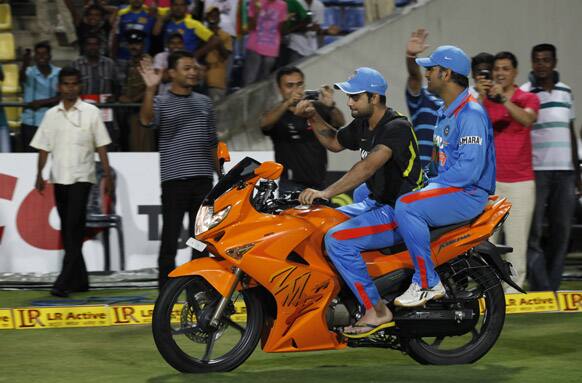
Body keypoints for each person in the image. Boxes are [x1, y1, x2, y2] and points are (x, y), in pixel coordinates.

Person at [294, 67, 423, 335]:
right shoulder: (364, 124)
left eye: (355, 96)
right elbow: (334, 141)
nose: (349, 102)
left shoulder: (395, 127)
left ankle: (377, 309)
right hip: (377, 204)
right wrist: (313, 115)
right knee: (318, 221)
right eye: (349, 96)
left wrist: (326, 193)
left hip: (401, 210)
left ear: (374, 98)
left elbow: (367, 168)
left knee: (338, 241)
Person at [393, 45, 496, 307]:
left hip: (468, 193)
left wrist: (427, 187)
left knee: (407, 206)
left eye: (431, 69)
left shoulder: (470, 114)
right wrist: (419, 179)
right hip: (453, 189)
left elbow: (468, 172)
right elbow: (439, 164)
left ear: (446, 73)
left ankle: (427, 281)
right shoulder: (445, 111)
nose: (426, 74)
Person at [138, 50, 219, 288]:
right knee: (170, 237)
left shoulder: (205, 102)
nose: (193, 72)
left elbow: (211, 142)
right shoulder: (160, 101)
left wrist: (222, 176)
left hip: (204, 180)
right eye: (187, 68)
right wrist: (151, 88)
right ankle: (166, 287)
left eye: (195, 67)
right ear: (172, 73)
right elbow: (145, 121)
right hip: (174, 181)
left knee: (201, 238)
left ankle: (199, 282)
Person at [30, 66, 112, 298]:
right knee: (69, 230)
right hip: (59, 179)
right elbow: (44, 148)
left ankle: (62, 281)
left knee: (73, 229)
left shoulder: (91, 112)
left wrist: (106, 174)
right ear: (60, 86)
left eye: (74, 83)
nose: (70, 87)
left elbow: (101, 145)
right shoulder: (50, 115)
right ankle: (81, 280)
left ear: (80, 85)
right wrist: (39, 174)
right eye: (66, 84)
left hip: (82, 178)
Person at [522, 44, 581, 291]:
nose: (541, 65)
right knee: (532, 232)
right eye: (537, 60)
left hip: (565, 172)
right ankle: (542, 288)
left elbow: (570, 130)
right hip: (535, 171)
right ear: (532, 63)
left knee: (562, 230)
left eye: (546, 60)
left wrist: (577, 171)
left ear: (554, 62)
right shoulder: (525, 93)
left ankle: (552, 286)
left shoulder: (566, 92)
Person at [481, 51, 540, 290]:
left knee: (516, 244)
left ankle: (514, 294)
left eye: (505, 69)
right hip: (491, 184)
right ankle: (490, 291)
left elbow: (527, 120)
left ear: (515, 72)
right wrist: (483, 95)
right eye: (497, 69)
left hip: (521, 184)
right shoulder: (484, 101)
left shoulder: (527, 98)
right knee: (486, 242)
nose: (500, 73)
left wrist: (503, 100)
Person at [260, 66, 345, 193]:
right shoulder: (277, 113)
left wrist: (331, 105)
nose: (296, 89)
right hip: (290, 184)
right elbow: (264, 124)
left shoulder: (316, 108)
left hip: (320, 183)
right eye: (290, 85)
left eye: (299, 84)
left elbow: (340, 122)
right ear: (280, 88)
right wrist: (287, 103)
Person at [72, 34, 121, 150]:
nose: (92, 47)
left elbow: (118, 86)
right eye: (89, 44)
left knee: (107, 145)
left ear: (100, 46)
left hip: (106, 114)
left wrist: (114, 96)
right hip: (82, 113)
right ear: (84, 46)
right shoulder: (76, 64)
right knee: (84, 146)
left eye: (95, 44)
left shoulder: (110, 64)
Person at [19, 42, 61, 152]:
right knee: (29, 159)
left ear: (50, 56)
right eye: (38, 54)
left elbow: (63, 97)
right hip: (30, 123)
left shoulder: (59, 73)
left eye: (44, 53)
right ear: (34, 57)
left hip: (52, 124)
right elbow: (21, 78)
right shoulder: (28, 72)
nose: (41, 56)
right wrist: (25, 63)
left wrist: (42, 102)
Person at [119, 30, 154, 151]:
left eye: (137, 43)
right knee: (132, 144)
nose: (134, 47)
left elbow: (151, 86)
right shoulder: (129, 62)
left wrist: (132, 100)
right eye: (131, 44)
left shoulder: (147, 61)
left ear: (143, 45)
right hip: (130, 110)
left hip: (142, 109)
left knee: (143, 145)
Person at [153, 0, 220, 59]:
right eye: (175, 5)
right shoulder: (167, 20)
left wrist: (197, 54)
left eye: (182, 5)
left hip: (186, 63)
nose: (178, 8)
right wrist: (162, 19)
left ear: (186, 7)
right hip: (169, 60)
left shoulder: (194, 24)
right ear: (171, 6)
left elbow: (215, 40)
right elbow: (155, 33)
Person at [243, 0, 288, 85]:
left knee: (263, 82)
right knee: (249, 80)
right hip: (255, 46)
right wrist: (256, 13)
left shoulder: (282, 5)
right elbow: (250, 27)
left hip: (271, 49)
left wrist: (286, 21)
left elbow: (282, 29)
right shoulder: (256, 1)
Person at [204, 6, 233, 102]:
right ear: (206, 17)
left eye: (216, 15)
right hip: (201, 78)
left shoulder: (225, 35)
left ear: (219, 18)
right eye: (210, 15)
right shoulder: (201, 33)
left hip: (217, 80)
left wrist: (219, 42)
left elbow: (226, 56)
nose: (213, 17)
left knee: (216, 112)